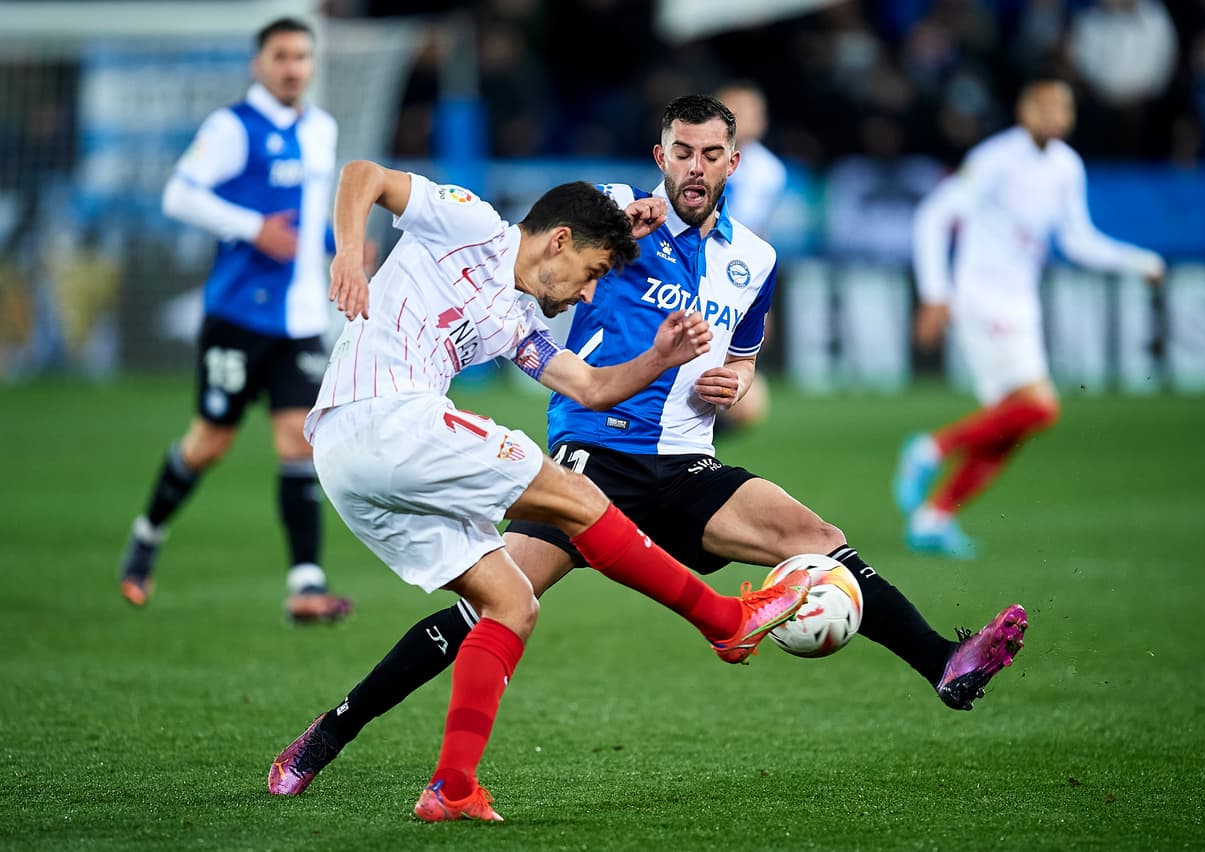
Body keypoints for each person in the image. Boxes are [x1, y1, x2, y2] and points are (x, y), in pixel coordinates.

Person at [266, 96, 1029, 804]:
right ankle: (334, 730)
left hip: (685, 461)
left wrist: (730, 380)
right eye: (681, 151)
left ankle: (944, 666)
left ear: (735, 163)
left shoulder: (753, 261)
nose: (695, 166)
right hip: (591, 454)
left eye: (711, 153)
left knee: (818, 541)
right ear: (659, 156)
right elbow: (562, 276)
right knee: (491, 606)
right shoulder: (609, 220)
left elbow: (742, 356)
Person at [269, 157, 813, 822]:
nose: (588, 296)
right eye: (590, 276)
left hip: (354, 465)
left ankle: (452, 788)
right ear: (559, 241)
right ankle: (725, 622)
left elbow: (588, 386)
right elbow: (362, 174)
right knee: (580, 497)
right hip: (382, 417)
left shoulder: (512, 321)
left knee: (511, 603)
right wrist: (348, 256)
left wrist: (661, 356)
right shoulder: (472, 223)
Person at [116, 18, 353, 622]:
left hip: (300, 318)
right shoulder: (232, 128)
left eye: (302, 55)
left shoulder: (320, 129)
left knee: (298, 441)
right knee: (209, 443)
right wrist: (252, 228)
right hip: (237, 316)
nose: (293, 66)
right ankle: (147, 534)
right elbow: (179, 195)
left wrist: (340, 244)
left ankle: (306, 584)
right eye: (281, 56)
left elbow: (309, 213)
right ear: (259, 64)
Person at [896, 76, 1166, 558]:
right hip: (982, 296)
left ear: (1071, 115)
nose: (1052, 115)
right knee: (1041, 407)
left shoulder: (1066, 166)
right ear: (1024, 111)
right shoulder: (995, 159)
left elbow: (1078, 238)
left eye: (1061, 107)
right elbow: (933, 216)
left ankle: (934, 518)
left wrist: (1136, 261)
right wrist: (936, 294)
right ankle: (931, 449)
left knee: (1012, 424)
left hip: (1021, 303)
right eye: (1042, 106)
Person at [712, 81, 787, 434]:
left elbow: (754, 234)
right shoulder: (697, 155)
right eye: (736, 110)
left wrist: (760, 301)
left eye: (752, 112)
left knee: (746, 404)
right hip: (686, 267)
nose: (745, 119)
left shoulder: (766, 171)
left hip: (728, 275)